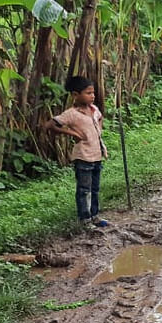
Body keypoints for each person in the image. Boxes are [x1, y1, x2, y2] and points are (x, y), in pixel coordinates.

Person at [46, 75, 109, 229]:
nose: (92, 96)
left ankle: (94, 216)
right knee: (84, 189)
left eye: (93, 93)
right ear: (75, 95)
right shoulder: (71, 114)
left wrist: (98, 130)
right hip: (83, 157)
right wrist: (72, 134)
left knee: (95, 188)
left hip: (96, 155)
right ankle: (85, 219)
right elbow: (50, 125)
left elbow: (100, 119)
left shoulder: (94, 110)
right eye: (88, 93)